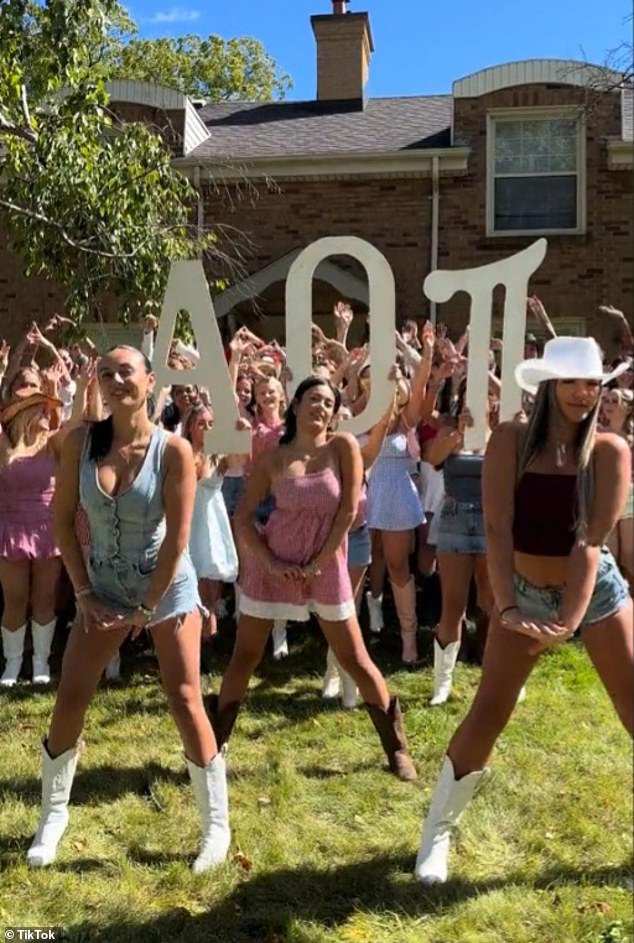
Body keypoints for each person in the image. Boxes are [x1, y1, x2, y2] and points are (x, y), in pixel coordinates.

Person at [415, 337, 632, 885]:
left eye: (592, 384)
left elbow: (591, 541)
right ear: (548, 387)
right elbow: (497, 528)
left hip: (596, 595)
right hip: (524, 594)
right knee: (489, 711)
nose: (584, 394)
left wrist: (568, 622)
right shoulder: (510, 440)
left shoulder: (610, 451)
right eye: (572, 382)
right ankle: (436, 835)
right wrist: (508, 607)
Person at [26, 346, 231, 872]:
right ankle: (52, 818)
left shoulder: (174, 452)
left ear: (150, 381)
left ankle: (215, 829)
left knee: (185, 697)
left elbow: (178, 541)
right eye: (107, 373)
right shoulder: (80, 444)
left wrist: (146, 608)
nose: (117, 380)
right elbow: (64, 521)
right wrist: (85, 593)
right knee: (71, 694)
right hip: (101, 588)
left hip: (166, 589)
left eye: (126, 372)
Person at [206, 376, 417, 782]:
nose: (320, 407)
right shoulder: (273, 457)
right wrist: (267, 561)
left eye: (328, 402)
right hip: (275, 566)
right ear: (296, 405)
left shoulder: (342, 448)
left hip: (327, 565)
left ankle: (397, 749)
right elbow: (244, 517)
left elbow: (348, 513)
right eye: (313, 399)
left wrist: (320, 561)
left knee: (354, 657)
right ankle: (213, 746)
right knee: (245, 656)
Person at [422, 380, 494, 705]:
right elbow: (432, 458)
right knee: (453, 603)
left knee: (493, 601)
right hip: (454, 518)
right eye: (472, 394)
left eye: (488, 394)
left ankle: (495, 674)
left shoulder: (505, 433)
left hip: (492, 522)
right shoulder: (451, 430)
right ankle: (442, 682)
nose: (481, 400)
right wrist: (456, 435)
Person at [0, 389, 66, 686]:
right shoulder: (5, 445)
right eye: (39, 409)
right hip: (11, 529)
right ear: (22, 415)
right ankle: (12, 664)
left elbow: (79, 419)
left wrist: (84, 386)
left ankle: (41, 662)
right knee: (14, 599)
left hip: (46, 531)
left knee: (45, 597)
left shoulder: (53, 444)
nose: (46, 415)